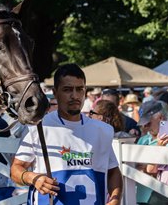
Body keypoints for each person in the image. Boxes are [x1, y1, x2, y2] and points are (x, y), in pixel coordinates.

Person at [11, 63, 122, 204]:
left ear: (85, 91)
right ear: (55, 92)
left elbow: (113, 171)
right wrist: (33, 178)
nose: (74, 95)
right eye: (67, 89)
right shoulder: (38, 127)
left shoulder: (102, 130)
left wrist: (115, 199)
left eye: (79, 89)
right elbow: (15, 169)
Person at [135, 100, 168, 204]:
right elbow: (138, 167)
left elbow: (150, 169)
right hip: (143, 195)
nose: (145, 128)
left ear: (161, 118)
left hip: (159, 195)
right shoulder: (143, 140)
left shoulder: (163, 141)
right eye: (143, 124)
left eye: (148, 123)